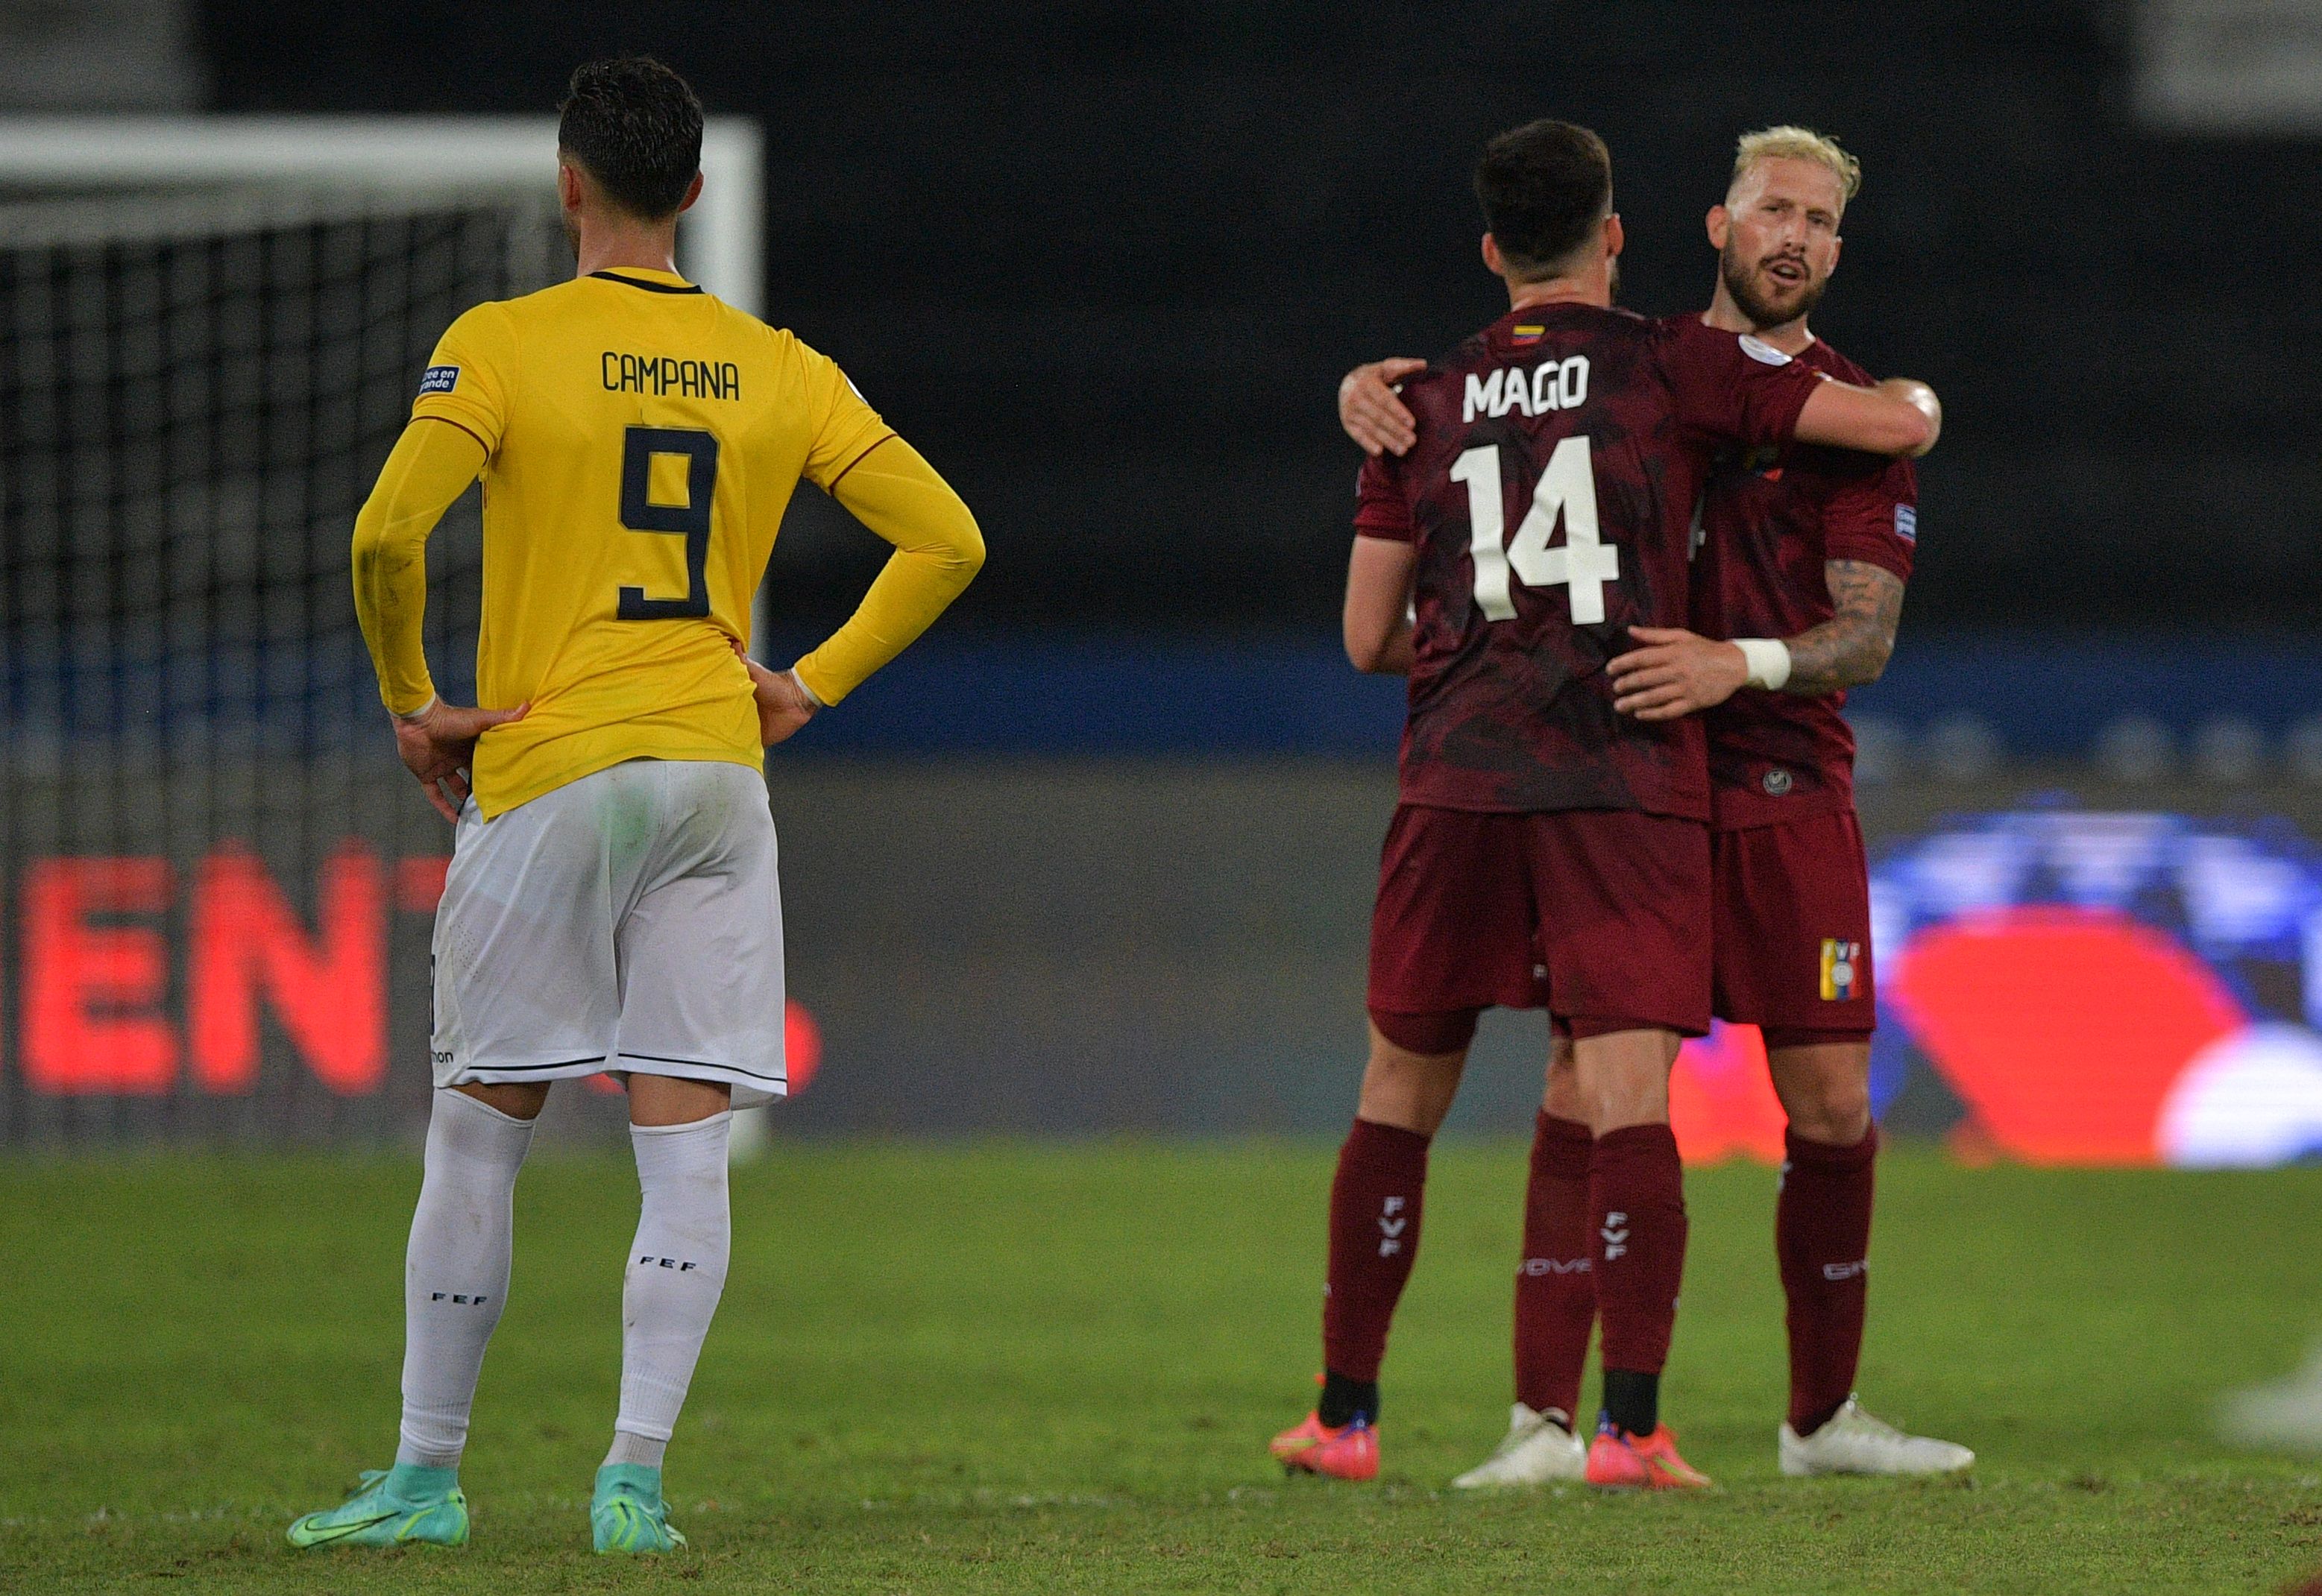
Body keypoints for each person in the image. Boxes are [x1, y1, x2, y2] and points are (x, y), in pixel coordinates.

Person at [286, 56, 983, 1554]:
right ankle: (634, 1482)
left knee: (481, 1136)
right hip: (716, 778)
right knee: (684, 1146)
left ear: (568, 183)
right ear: (699, 192)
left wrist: (416, 702)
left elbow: (384, 535)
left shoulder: (507, 342)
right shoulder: (776, 365)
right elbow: (947, 539)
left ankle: (424, 1480)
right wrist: (810, 682)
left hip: (550, 766)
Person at [1272, 116, 1936, 1492]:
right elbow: (1897, 421)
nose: (1794, 237)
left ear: (1487, 246)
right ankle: (1588, 1423)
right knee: (1606, 1085)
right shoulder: (1666, 366)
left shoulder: (1432, 390)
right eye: (1774, 211)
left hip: (1554, 768)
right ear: (1677, 227)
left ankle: (1353, 1411)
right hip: (1630, 773)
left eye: (1820, 219)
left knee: (1797, 1099)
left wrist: (1485, 629)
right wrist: (1923, 407)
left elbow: (1364, 635)